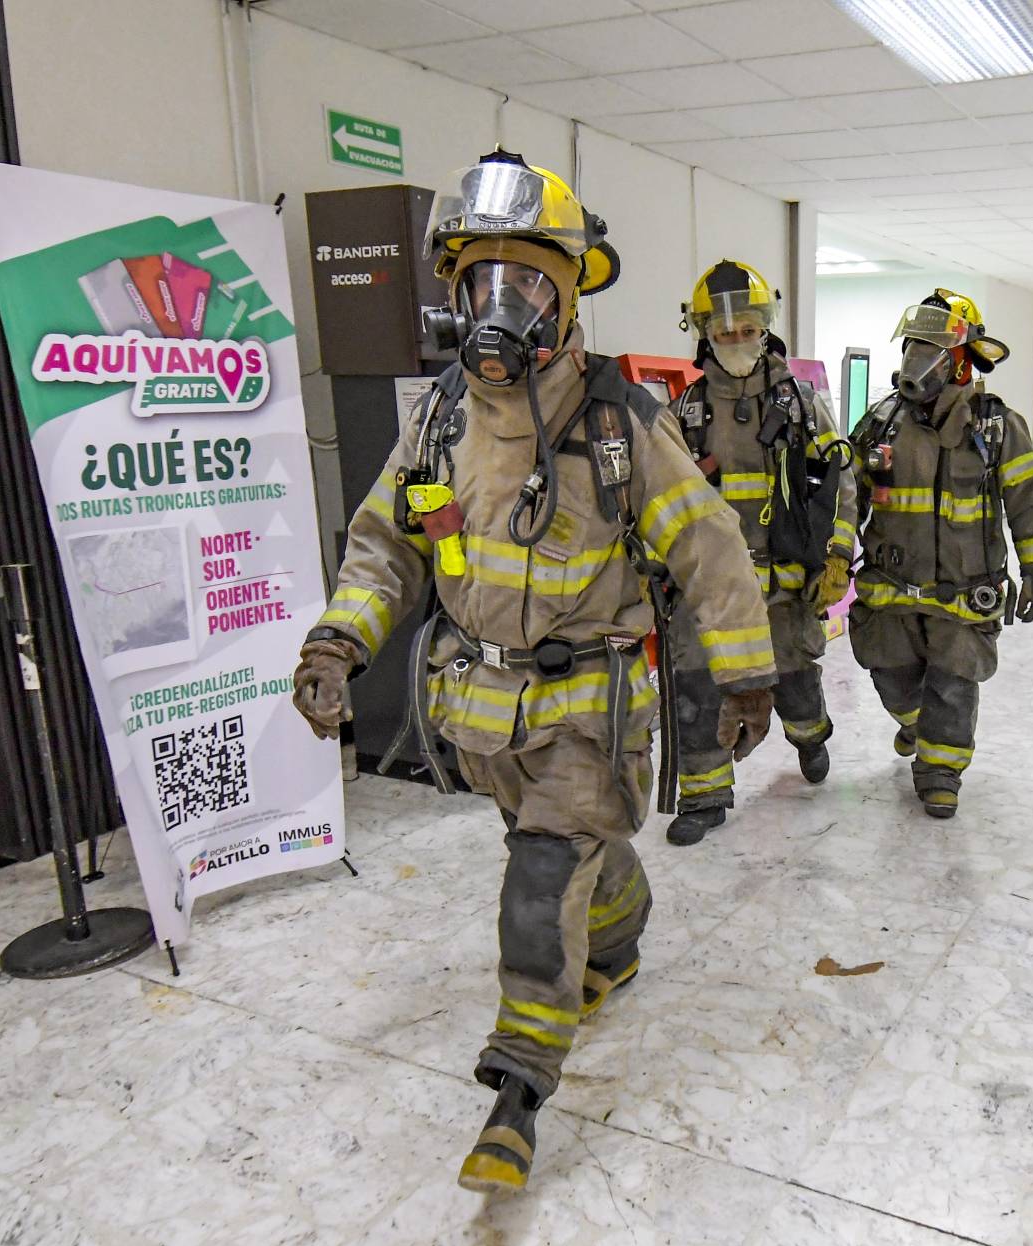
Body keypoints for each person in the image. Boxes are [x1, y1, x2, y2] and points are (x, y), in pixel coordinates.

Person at [291, 150, 778, 1192]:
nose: (498, 305)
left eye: (525, 283)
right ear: (454, 292)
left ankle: (516, 1091)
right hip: (480, 712)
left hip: (589, 708)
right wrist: (337, 642)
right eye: (480, 282)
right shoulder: (434, 423)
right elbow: (383, 546)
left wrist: (745, 678)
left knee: (539, 879)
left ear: (566, 296)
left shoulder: (620, 424)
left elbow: (709, 546)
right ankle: (622, 929)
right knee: (564, 857)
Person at [661, 261, 857, 846]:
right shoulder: (686, 412)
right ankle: (704, 795)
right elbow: (661, 498)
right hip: (711, 589)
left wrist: (839, 554)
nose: (737, 340)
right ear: (704, 334)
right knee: (696, 682)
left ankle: (810, 737)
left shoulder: (800, 403)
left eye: (747, 328)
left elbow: (841, 481)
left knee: (793, 679)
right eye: (724, 332)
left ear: (765, 327)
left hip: (788, 583)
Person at [848, 288, 1033, 819]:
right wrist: (829, 554)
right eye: (914, 343)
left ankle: (940, 773)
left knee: (953, 682)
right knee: (889, 672)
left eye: (934, 344)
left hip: (964, 589)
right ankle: (913, 723)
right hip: (890, 586)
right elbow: (846, 495)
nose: (920, 355)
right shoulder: (880, 422)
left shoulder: (995, 424)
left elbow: (1030, 497)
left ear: (963, 357)